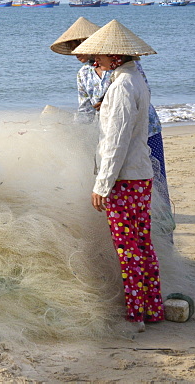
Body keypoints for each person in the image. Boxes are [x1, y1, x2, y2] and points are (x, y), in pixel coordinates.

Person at [72, 20, 164, 330]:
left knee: (128, 250)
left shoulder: (123, 86)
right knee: (142, 244)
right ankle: (152, 308)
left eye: (100, 55)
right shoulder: (135, 78)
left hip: (125, 179)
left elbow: (116, 140)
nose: (95, 61)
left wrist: (102, 184)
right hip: (140, 175)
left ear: (117, 56)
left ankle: (135, 315)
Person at [50, 18, 172, 210]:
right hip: (113, 132)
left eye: (78, 45)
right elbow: (84, 110)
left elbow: (143, 92)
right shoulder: (84, 74)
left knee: (154, 179)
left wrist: (108, 101)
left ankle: (163, 225)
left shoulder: (126, 66)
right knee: (120, 179)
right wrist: (73, 133)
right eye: (72, 47)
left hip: (145, 130)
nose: (75, 52)